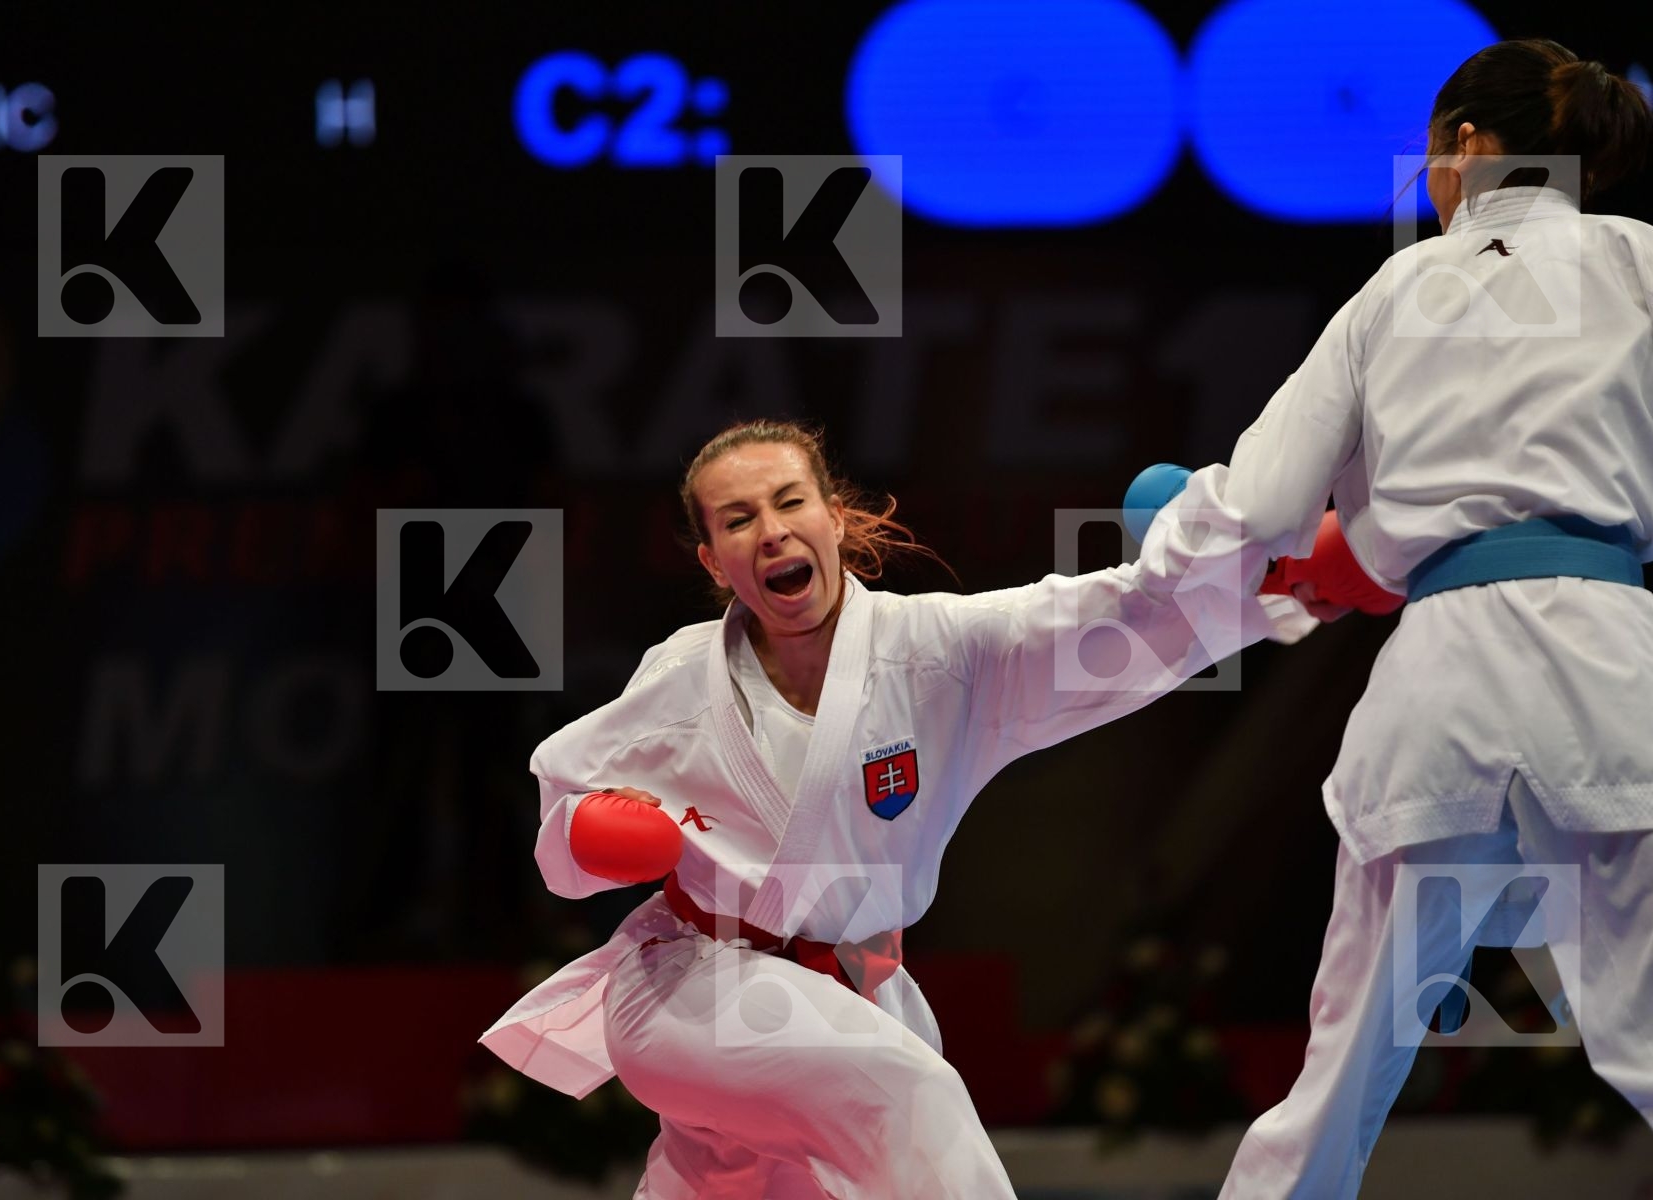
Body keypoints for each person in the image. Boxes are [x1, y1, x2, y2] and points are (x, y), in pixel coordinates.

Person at [1140, 38, 1653, 1198]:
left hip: (1440, 689)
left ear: (1464, 144)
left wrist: (1169, 544)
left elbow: (1257, 508)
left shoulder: (1394, 291)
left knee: (1335, 1089)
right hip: (1610, 678)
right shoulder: (1648, 263)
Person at [480, 418, 1314, 1198]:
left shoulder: (938, 655)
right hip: (688, 984)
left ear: (835, 519)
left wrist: (1270, 577)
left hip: (855, 991)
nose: (769, 530)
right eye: (737, 520)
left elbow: (1106, 618)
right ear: (712, 561)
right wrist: (591, 833)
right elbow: (565, 803)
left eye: (788, 502)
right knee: (907, 1092)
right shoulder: (681, 680)